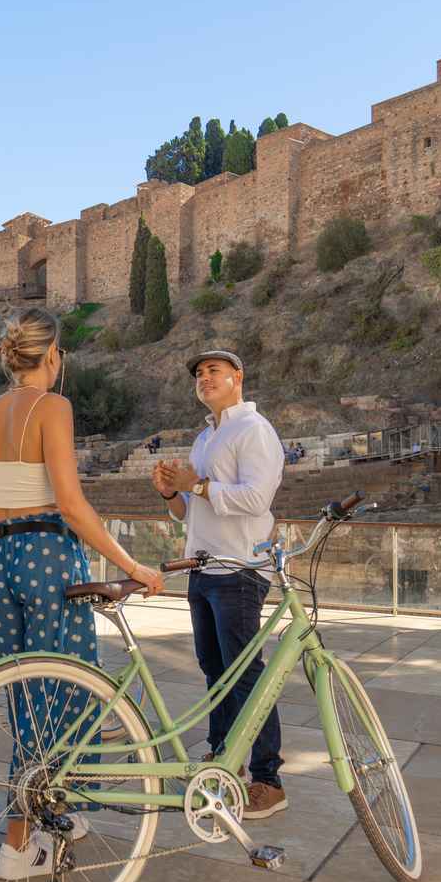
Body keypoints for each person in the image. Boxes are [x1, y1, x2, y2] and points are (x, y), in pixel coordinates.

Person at [0, 307, 164, 880]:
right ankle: (18, 845)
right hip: (48, 557)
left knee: (25, 692)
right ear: (53, 355)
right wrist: (132, 565)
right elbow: (72, 505)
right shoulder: (53, 407)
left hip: (1, 555)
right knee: (63, 689)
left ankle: (54, 810)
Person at [153, 349, 288, 820]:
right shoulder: (205, 437)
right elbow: (189, 513)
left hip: (239, 569)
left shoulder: (254, 429)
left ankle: (268, 780)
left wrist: (195, 485)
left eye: (214, 370)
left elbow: (257, 498)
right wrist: (172, 492)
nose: (204, 377)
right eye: (198, 373)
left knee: (245, 673)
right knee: (215, 670)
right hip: (203, 568)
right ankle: (222, 756)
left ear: (238, 376)